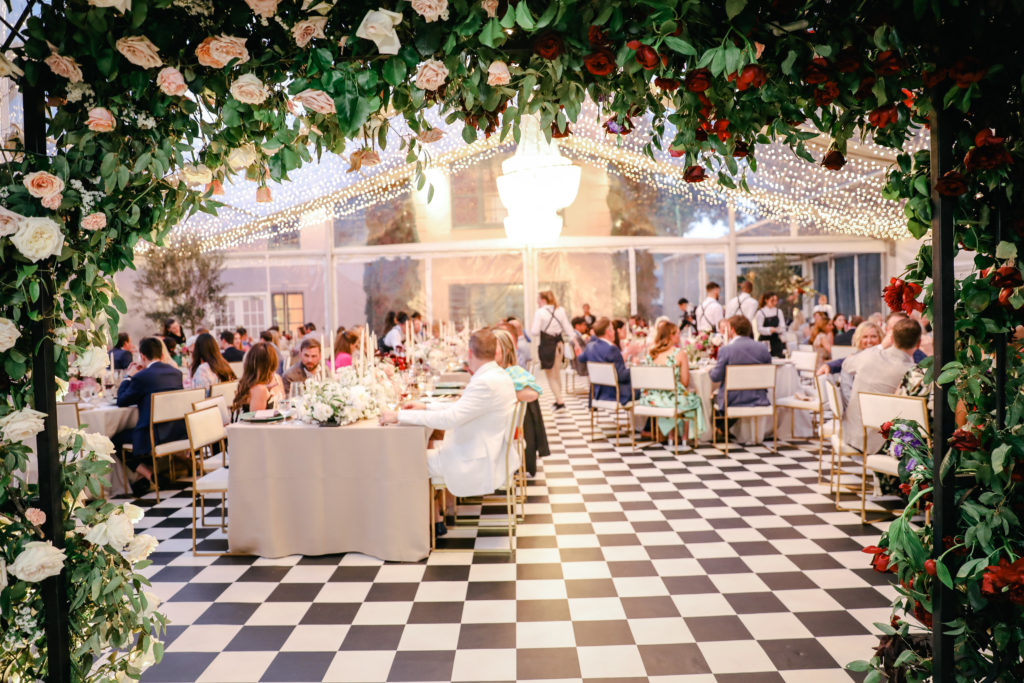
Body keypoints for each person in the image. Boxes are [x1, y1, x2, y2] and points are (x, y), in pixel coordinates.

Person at [379, 329, 517, 537]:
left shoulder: (486, 382)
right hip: (487, 450)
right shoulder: (497, 375)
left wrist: (399, 416)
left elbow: (450, 419)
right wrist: (424, 408)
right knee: (427, 445)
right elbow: (458, 410)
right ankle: (435, 519)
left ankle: (412, 532)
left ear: (469, 353)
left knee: (409, 459)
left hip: (477, 459)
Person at [113, 337, 186, 497]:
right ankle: (145, 476)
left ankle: (148, 474)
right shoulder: (176, 373)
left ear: (143, 356)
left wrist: (129, 376)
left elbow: (122, 401)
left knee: (114, 440)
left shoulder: (142, 377)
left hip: (153, 436)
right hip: (175, 432)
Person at [843, 318, 922, 453]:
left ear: (891, 339)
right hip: (879, 442)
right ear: (919, 343)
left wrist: (879, 347)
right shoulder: (912, 372)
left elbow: (846, 365)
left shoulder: (869, 355)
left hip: (852, 433)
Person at [638, 322, 706, 445]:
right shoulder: (679, 354)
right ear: (671, 335)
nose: (679, 336)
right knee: (693, 399)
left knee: (678, 397)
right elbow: (684, 382)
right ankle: (685, 438)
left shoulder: (651, 353)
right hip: (671, 400)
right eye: (678, 333)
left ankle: (671, 436)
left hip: (651, 399)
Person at [494, 328, 548, 477]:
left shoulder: (513, 372)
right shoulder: (494, 372)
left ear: (506, 350)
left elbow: (532, 394)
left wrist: (503, 394)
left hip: (504, 430)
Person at [709, 315, 773, 420]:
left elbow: (716, 377)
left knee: (710, 398)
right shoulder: (762, 348)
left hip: (733, 400)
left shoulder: (726, 350)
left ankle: (720, 430)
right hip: (758, 398)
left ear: (732, 330)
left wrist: (710, 370)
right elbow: (767, 373)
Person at [530, 290, 573, 410]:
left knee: (550, 375)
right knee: (557, 373)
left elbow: (534, 331)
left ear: (543, 300)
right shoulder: (560, 310)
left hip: (547, 345)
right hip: (559, 344)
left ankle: (560, 400)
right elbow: (567, 328)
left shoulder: (540, 312)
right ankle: (559, 398)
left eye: (538, 300)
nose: (537, 302)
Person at [577, 317, 632, 405]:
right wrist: (635, 369)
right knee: (644, 390)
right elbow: (621, 376)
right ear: (608, 332)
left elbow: (581, 358)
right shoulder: (612, 349)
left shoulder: (589, 347)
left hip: (597, 393)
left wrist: (578, 353)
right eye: (613, 329)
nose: (614, 332)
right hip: (615, 394)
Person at [816, 320, 883, 379]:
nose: (869, 341)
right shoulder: (858, 356)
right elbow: (844, 361)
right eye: (865, 337)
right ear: (859, 339)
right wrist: (829, 366)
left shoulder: (885, 355)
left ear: (880, 338)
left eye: (874, 336)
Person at [232, 342, 285, 413]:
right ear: (272, 362)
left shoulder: (249, 384)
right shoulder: (259, 389)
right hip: (253, 424)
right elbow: (257, 422)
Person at [754, 291, 787, 358]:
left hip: (776, 341)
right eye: (772, 300)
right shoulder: (761, 312)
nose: (775, 303)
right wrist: (769, 330)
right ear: (766, 300)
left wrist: (777, 330)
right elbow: (759, 328)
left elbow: (783, 327)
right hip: (765, 341)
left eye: (776, 300)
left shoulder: (778, 311)